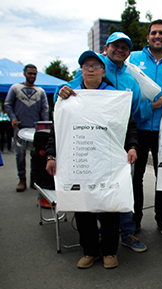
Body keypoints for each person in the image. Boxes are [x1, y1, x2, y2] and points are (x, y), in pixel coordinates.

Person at [45, 50, 139, 269]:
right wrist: (51, 155)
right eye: (86, 66)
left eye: (95, 66)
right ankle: (89, 251)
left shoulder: (114, 97)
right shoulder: (69, 98)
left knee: (109, 208)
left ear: (103, 70)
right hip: (81, 161)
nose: (90, 70)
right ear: (81, 71)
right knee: (83, 207)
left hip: (107, 162)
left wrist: (132, 146)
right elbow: (57, 130)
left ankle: (109, 252)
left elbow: (129, 126)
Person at [129, 20, 162, 236]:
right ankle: (134, 218)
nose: (158, 36)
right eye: (153, 33)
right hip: (138, 127)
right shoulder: (133, 59)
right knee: (136, 176)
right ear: (148, 37)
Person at [5, 64, 49, 192]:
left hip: (36, 130)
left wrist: (45, 126)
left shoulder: (41, 91)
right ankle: (22, 180)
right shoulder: (15, 88)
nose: (32, 76)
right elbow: (8, 104)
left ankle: (33, 180)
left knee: (36, 156)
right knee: (20, 155)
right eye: (30, 73)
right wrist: (12, 118)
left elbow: (45, 109)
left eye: (34, 74)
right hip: (20, 128)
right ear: (24, 73)